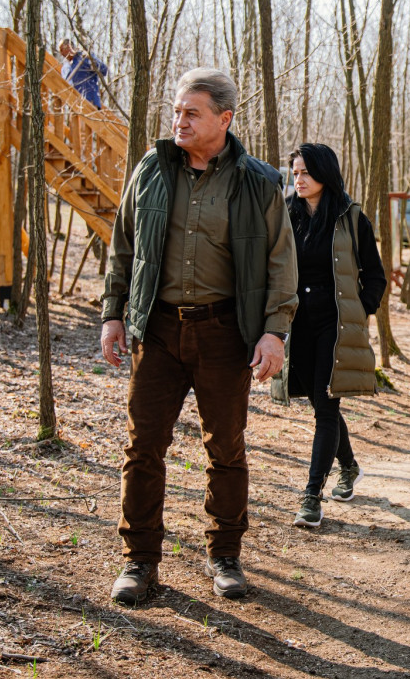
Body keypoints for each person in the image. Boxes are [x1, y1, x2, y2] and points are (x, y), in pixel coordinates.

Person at [100, 68, 298, 605]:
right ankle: (139, 560)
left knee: (226, 450)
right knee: (143, 449)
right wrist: (112, 313)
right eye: (177, 111)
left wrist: (275, 332)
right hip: (157, 331)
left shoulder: (258, 181)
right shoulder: (151, 169)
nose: (179, 121)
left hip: (224, 334)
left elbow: (282, 262)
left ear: (224, 119)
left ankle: (225, 555)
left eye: (192, 113)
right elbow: (123, 246)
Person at [272, 143, 386, 528]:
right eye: (295, 172)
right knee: (322, 405)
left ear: (324, 172)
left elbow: (375, 274)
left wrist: (361, 309)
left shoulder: (350, 217)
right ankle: (350, 466)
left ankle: (311, 496)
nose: (298, 179)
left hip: (334, 327)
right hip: (297, 323)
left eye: (305, 171)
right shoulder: (285, 213)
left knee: (327, 406)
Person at [59, 38, 109, 109]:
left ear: (69, 47)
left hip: (89, 102)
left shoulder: (84, 57)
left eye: (62, 49)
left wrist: (92, 62)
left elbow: (104, 70)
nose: (61, 53)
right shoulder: (64, 68)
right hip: (73, 106)